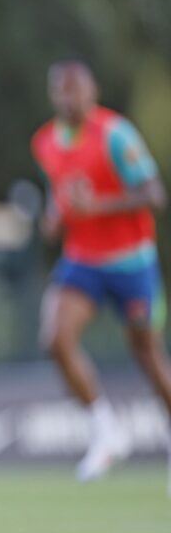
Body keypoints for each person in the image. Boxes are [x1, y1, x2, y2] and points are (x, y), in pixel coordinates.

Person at [33, 60, 171, 485]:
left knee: (147, 355)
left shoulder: (115, 134)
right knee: (55, 339)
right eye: (62, 90)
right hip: (83, 259)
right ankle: (107, 431)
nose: (69, 98)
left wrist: (99, 206)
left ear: (91, 92)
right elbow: (63, 193)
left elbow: (154, 194)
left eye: (76, 89)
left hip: (132, 260)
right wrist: (55, 216)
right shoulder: (45, 142)